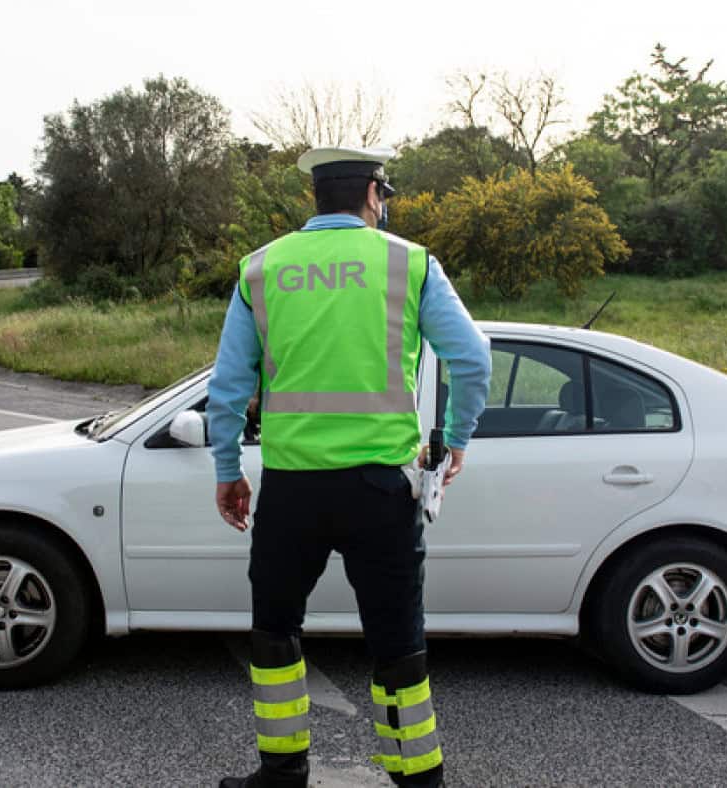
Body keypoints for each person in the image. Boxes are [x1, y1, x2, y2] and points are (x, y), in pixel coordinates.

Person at [207, 146, 491, 788]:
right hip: (380, 493)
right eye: (383, 194)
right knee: (396, 643)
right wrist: (454, 438)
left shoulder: (262, 268)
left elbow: (227, 387)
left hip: (291, 493)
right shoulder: (410, 264)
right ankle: (417, 778)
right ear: (371, 193)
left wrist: (229, 469)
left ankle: (282, 775)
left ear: (316, 197)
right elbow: (473, 359)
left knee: (275, 632)